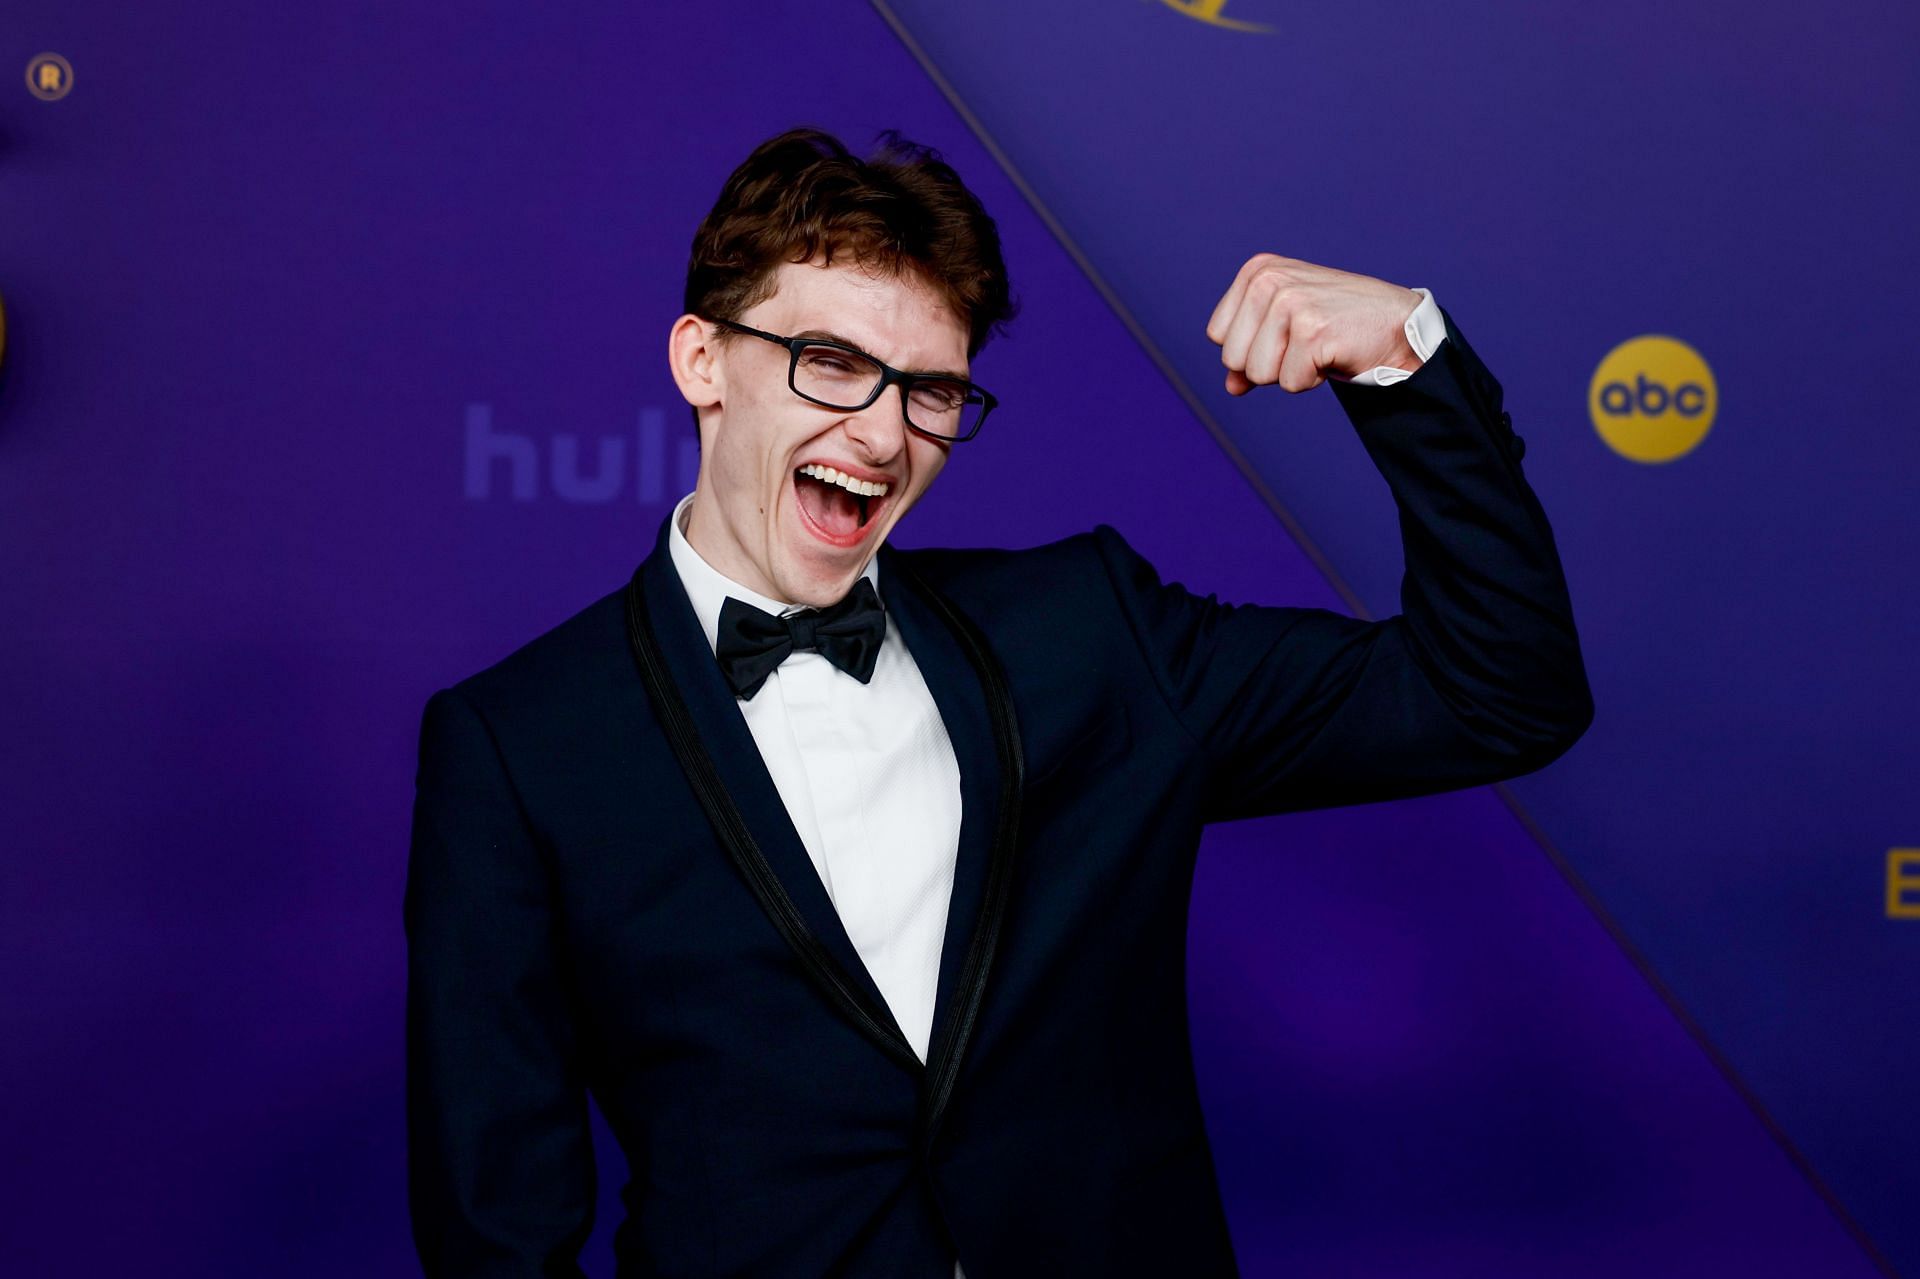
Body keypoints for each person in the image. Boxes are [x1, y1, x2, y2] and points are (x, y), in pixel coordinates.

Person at [405, 125, 1593, 1278]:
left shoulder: (1090, 636)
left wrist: (1405, 360)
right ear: (702, 361)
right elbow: (495, 1227)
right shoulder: (520, 743)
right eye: (832, 363)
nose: (880, 433)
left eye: (931, 392)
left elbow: (1499, 691)